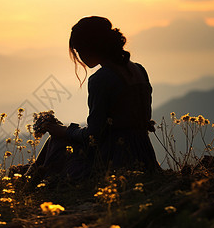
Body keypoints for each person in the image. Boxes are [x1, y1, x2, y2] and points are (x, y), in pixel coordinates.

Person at [27, 16, 160, 184]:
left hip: (115, 158)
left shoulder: (102, 78)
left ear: (91, 46)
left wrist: (63, 130)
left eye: (78, 50)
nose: (79, 56)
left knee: (57, 142)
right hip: (144, 154)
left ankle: (32, 186)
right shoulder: (139, 69)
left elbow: (94, 136)